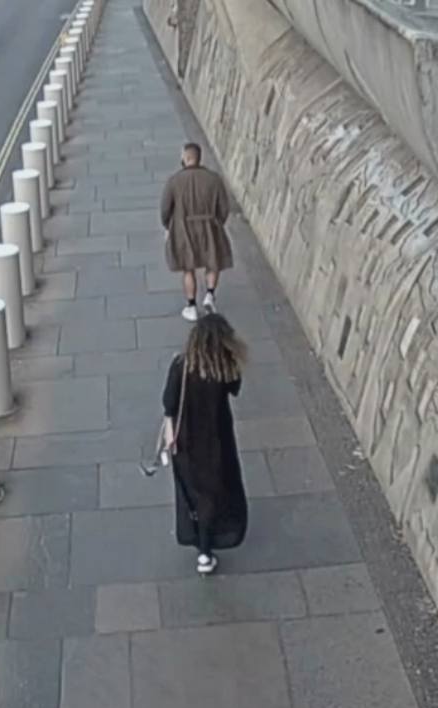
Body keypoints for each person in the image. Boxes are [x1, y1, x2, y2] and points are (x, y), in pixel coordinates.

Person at [161, 313, 249, 574]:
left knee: (193, 494)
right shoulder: (224, 367)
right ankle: (208, 546)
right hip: (218, 440)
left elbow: (169, 406)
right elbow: (235, 388)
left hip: (186, 441)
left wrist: (169, 439)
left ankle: (202, 549)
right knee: (216, 491)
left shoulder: (181, 366)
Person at [160, 142, 234, 322]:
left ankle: (191, 306)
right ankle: (209, 295)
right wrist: (217, 222)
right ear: (199, 158)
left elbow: (165, 209)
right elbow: (224, 207)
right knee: (212, 263)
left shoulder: (174, 181)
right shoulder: (214, 179)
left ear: (185, 158)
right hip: (209, 225)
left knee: (188, 268)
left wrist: (168, 227)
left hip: (184, 228)